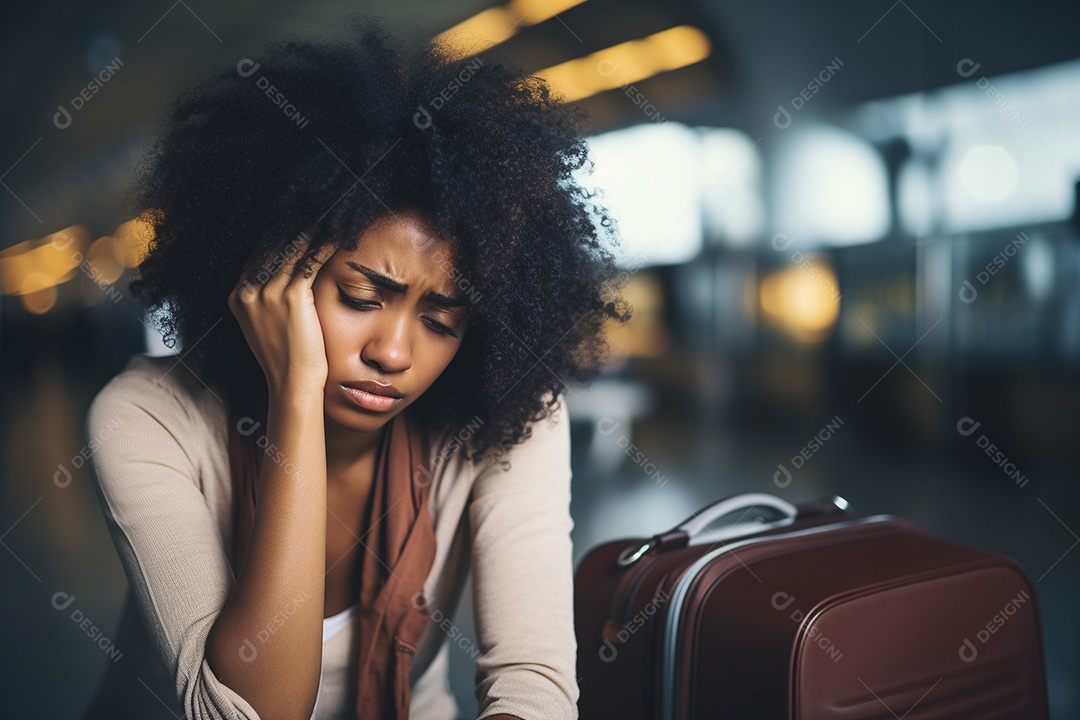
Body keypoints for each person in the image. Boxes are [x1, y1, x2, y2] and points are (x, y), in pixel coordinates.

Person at [81, 13, 629, 720]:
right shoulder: (147, 419)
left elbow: (532, 684)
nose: (394, 354)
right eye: (361, 296)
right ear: (267, 268)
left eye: (440, 321)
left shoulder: (505, 420)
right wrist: (297, 398)